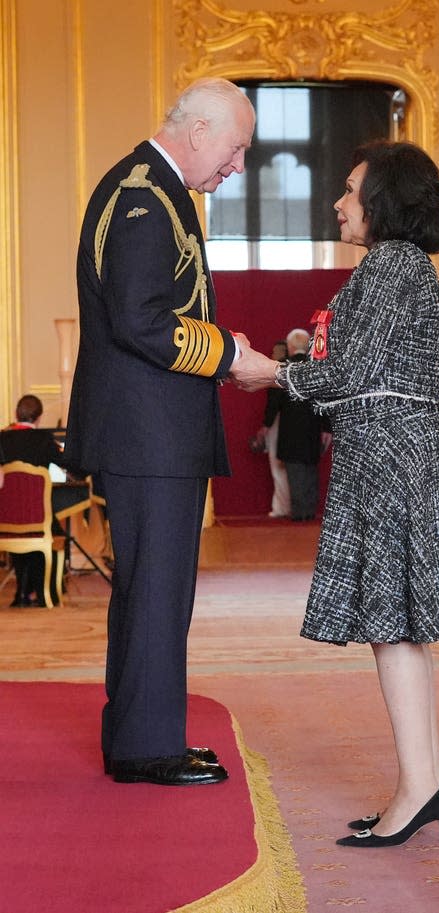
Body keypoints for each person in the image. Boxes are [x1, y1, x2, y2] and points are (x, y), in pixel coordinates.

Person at [232, 140, 439, 846]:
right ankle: (425, 779)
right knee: (399, 621)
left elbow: (349, 371)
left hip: (389, 453)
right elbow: (357, 368)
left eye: (349, 189)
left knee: (391, 623)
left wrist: (268, 372)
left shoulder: (391, 263)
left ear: (383, 201)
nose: (338, 201)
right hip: (399, 447)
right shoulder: (407, 266)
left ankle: (419, 786)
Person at [64, 77, 256, 786]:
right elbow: (141, 319)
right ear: (200, 131)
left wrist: (221, 346)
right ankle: (147, 748)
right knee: (156, 589)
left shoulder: (154, 188)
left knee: (155, 589)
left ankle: (145, 736)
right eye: (235, 149)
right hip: (147, 436)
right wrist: (229, 354)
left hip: (152, 432)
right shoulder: (146, 196)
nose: (236, 166)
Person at [0, 394, 66, 606]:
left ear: (15, 414)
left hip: (6, 519)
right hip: (39, 516)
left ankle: (21, 593)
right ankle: (44, 594)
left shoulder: (2, 438)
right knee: (55, 532)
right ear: (38, 418)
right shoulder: (44, 441)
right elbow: (68, 464)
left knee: (20, 528)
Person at [265, 329, 331, 521]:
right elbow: (326, 399)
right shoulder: (316, 367)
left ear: (290, 346)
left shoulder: (285, 368)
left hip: (290, 429)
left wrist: (266, 425)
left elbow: (274, 401)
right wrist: (327, 428)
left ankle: (299, 512)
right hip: (313, 428)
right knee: (311, 469)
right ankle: (309, 510)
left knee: (294, 471)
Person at [254, 340, 291, 518]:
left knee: (278, 466)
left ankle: (282, 507)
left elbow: (273, 403)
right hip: (289, 425)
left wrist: (266, 426)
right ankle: (286, 506)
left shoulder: (279, 372)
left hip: (279, 424)